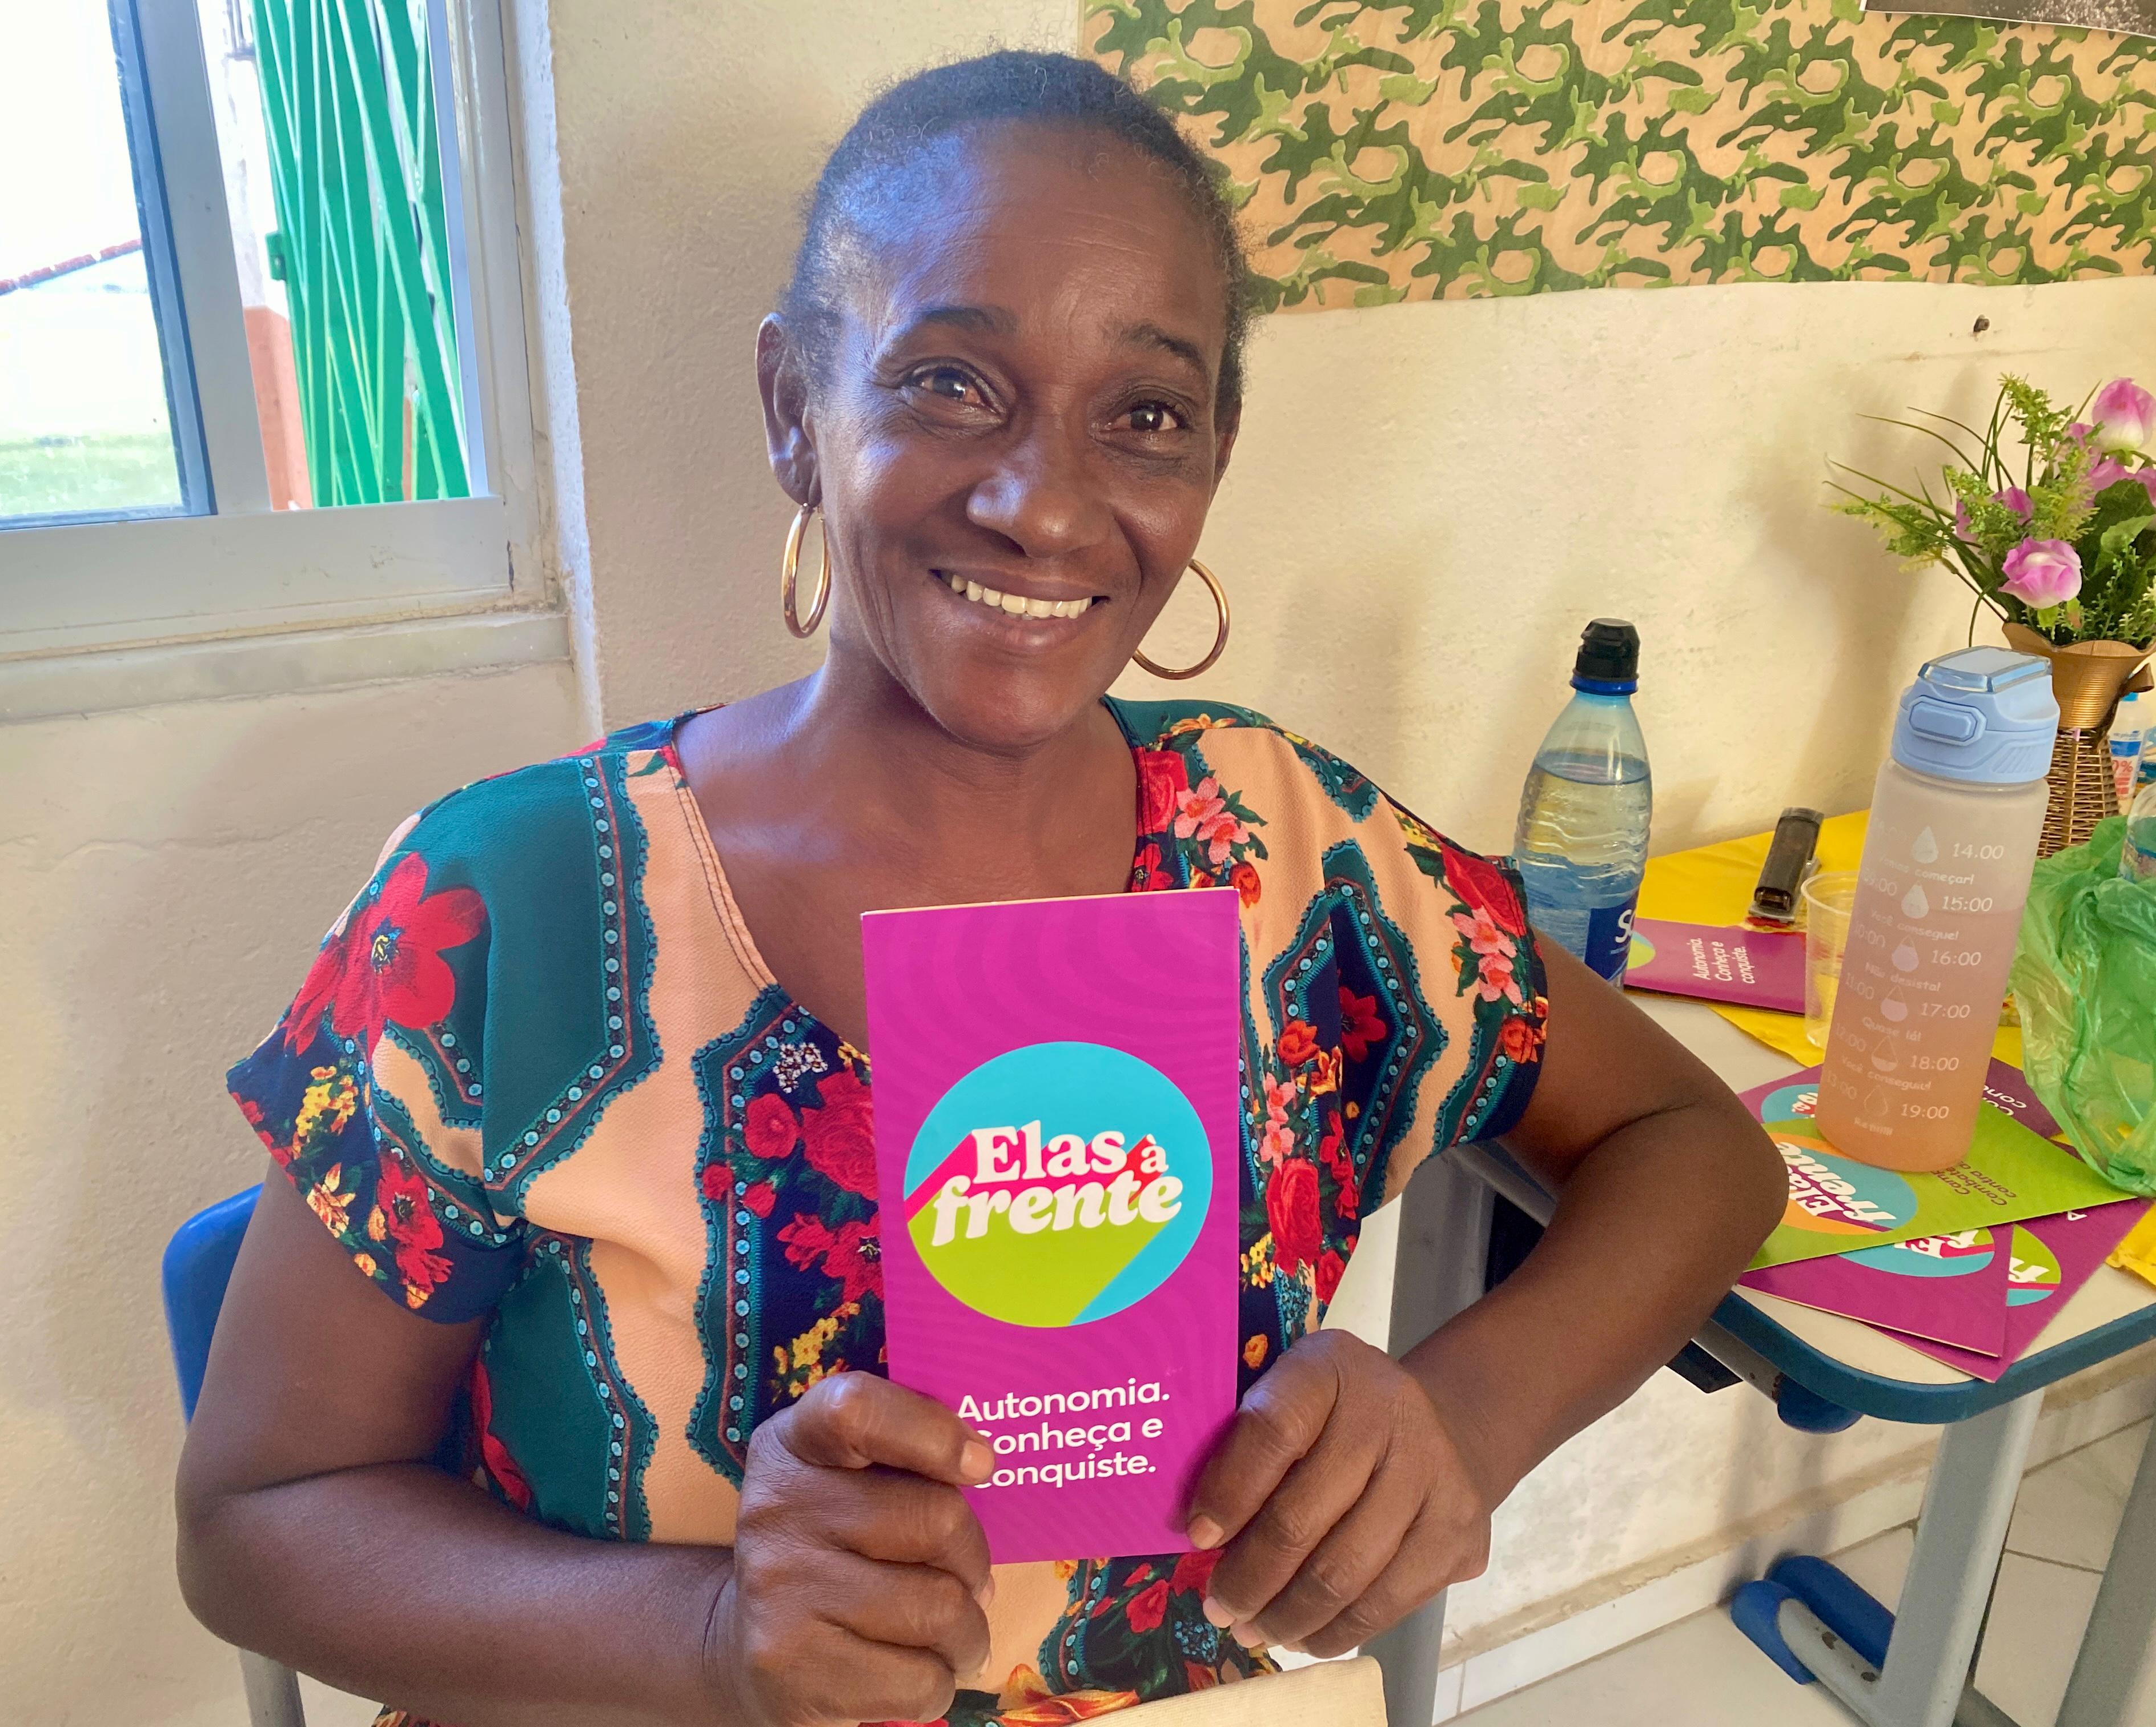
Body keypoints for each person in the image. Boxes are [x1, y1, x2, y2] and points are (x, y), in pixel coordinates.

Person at [176, 50, 1785, 1727]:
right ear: (797, 409)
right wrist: (709, 1633)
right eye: (950, 385)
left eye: (1145, 416)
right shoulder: (509, 906)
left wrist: (1466, 1415)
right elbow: (258, 1523)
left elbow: (1697, 1149)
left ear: (1214, 455)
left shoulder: (1295, 855)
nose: (1046, 507)